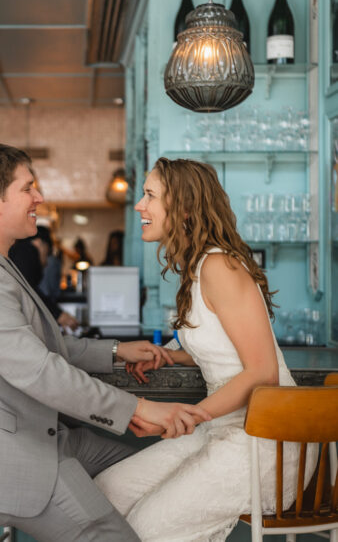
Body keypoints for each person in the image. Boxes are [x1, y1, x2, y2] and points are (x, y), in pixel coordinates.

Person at [0, 144, 209, 542]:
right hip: (6, 456)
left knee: (154, 471)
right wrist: (139, 407)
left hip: (41, 435)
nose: (39, 198)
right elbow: (40, 371)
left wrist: (116, 351)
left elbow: (43, 344)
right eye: (28, 189)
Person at [94, 157, 316, 542]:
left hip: (268, 442)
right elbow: (223, 348)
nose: (139, 206)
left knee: (148, 529)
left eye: (149, 195)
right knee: (106, 493)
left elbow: (261, 371)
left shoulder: (219, 266)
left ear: (182, 208)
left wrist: (184, 417)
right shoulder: (196, 266)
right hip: (223, 431)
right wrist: (168, 354)